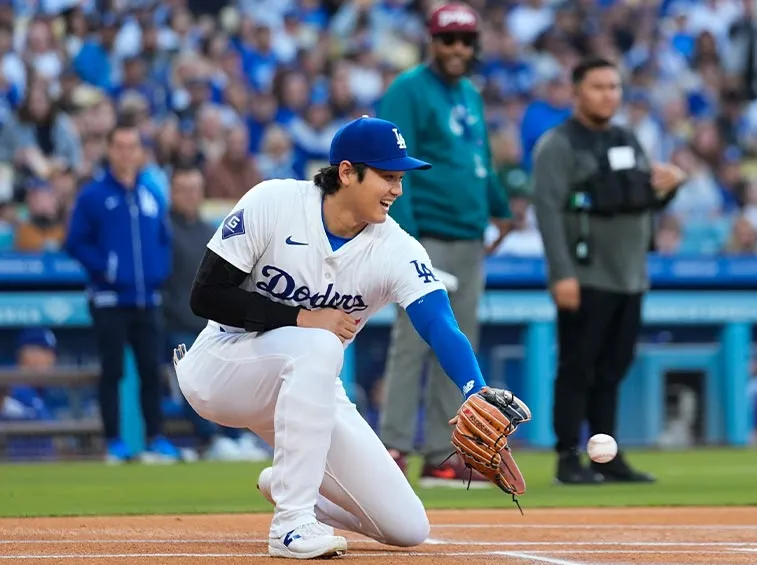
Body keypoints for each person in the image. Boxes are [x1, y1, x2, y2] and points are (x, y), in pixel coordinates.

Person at [172, 116, 517, 559]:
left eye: (400, 178)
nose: (398, 189)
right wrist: (301, 317)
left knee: (408, 526)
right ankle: (292, 524)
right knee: (320, 343)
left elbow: (439, 323)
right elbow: (205, 296)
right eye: (388, 176)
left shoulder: (395, 247)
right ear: (348, 172)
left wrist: (474, 388)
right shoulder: (274, 202)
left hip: (308, 386)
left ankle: (289, 484)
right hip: (223, 369)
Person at [376, 2, 513, 487]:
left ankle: (442, 453)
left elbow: (479, 161)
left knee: (456, 346)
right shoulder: (408, 89)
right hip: (426, 233)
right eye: (448, 39)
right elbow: (393, 164)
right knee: (413, 342)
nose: (457, 48)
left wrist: (501, 207)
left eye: (466, 41)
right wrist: (405, 237)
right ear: (431, 42)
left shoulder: (469, 93)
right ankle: (393, 447)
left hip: (469, 236)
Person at [531, 56, 684, 485]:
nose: (608, 95)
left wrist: (670, 187)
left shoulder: (627, 138)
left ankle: (605, 456)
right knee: (577, 367)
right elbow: (547, 212)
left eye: (614, 87)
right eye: (597, 87)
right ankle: (567, 457)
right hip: (585, 274)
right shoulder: (558, 144)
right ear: (576, 92)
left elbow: (641, 198)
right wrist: (561, 273)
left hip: (630, 275)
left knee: (613, 368)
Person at [64, 121, 181, 465]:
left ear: (140, 152)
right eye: (120, 146)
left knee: (151, 371)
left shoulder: (150, 194)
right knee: (112, 371)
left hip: (148, 300)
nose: (127, 153)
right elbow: (75, 242)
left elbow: (163, 239)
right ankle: (113, 441)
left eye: (133, 147)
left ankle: (155, 439)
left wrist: (159, 271)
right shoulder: (93, 196)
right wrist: (106, 269)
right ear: (110, 150)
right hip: (110, 301)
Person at [163, 166, 269, 462]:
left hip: (214, 323)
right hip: (177, 323)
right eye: (183, 190)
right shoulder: (164, 230)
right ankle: (210, 440)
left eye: (195, 189)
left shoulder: (212, 230)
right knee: (192, 383)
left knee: (230, 381)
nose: (190, 196)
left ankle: (234, 437)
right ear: (172, 193)